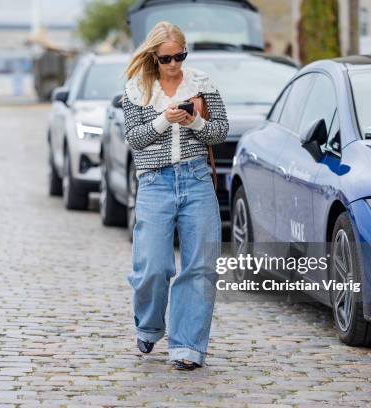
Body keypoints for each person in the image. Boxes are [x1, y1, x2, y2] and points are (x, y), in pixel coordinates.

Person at [121, 21, 229, 371]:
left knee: (200, 266)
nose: (173, 64)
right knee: (153, 266)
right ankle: (150, 325)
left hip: (196, 180)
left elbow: (219, 132)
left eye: (180, 56)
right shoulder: (137, 88)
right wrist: (164, 120)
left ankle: (187, 347)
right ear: (154, 55)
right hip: (155, 184)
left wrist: (193, 122)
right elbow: (134, 139)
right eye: (166, 58)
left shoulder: (202, 84)